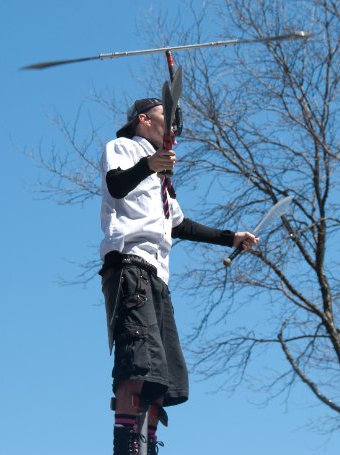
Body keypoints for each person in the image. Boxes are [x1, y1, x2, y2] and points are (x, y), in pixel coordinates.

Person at [99, 97, 259, 455]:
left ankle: (148, 443)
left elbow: (179, 224)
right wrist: (148, 165)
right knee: (136, 363)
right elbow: (116, 185)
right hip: (130, 266)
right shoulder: (122, 147)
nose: (170, 129)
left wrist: (229, 237)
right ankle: (126, 447)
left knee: (163, 375)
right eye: (163, 120)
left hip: (158, 277)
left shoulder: (162, 180)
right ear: (143, 119)